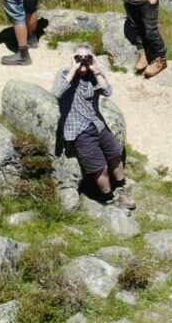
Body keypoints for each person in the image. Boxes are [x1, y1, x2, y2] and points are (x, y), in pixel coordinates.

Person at [53, 43, 130, 205]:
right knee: (99, 168)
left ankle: (122, 188)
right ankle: (109, 198)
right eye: (78, 58)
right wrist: (73, 70)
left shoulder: (94, 75)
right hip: (80, 131)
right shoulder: (64, 73)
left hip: (98, 124)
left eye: (87, 58)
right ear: (73, 59)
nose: (83, 62)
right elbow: (57, 92)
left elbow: (108, 91)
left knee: (115, 154)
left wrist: (96, 71)